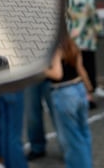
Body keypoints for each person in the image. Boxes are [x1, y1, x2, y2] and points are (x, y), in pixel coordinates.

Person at [28, 31, 94, 167]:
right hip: (79, 89)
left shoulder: (56, 49)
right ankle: (87, 163)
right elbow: (81, 69)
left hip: (64, 93)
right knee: (83, 133)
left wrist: (42, 69)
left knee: (72, 138)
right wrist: (89, 90)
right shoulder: (72, 44)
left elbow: (57, 74)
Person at [66, 0, 104, 105]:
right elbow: (94, 17)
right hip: (87, 38)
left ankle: (81, 92)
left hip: (72, 37)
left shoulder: (67, 0)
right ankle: (91, 91)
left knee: (77, 67)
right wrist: (100, 31)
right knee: (89, 65)